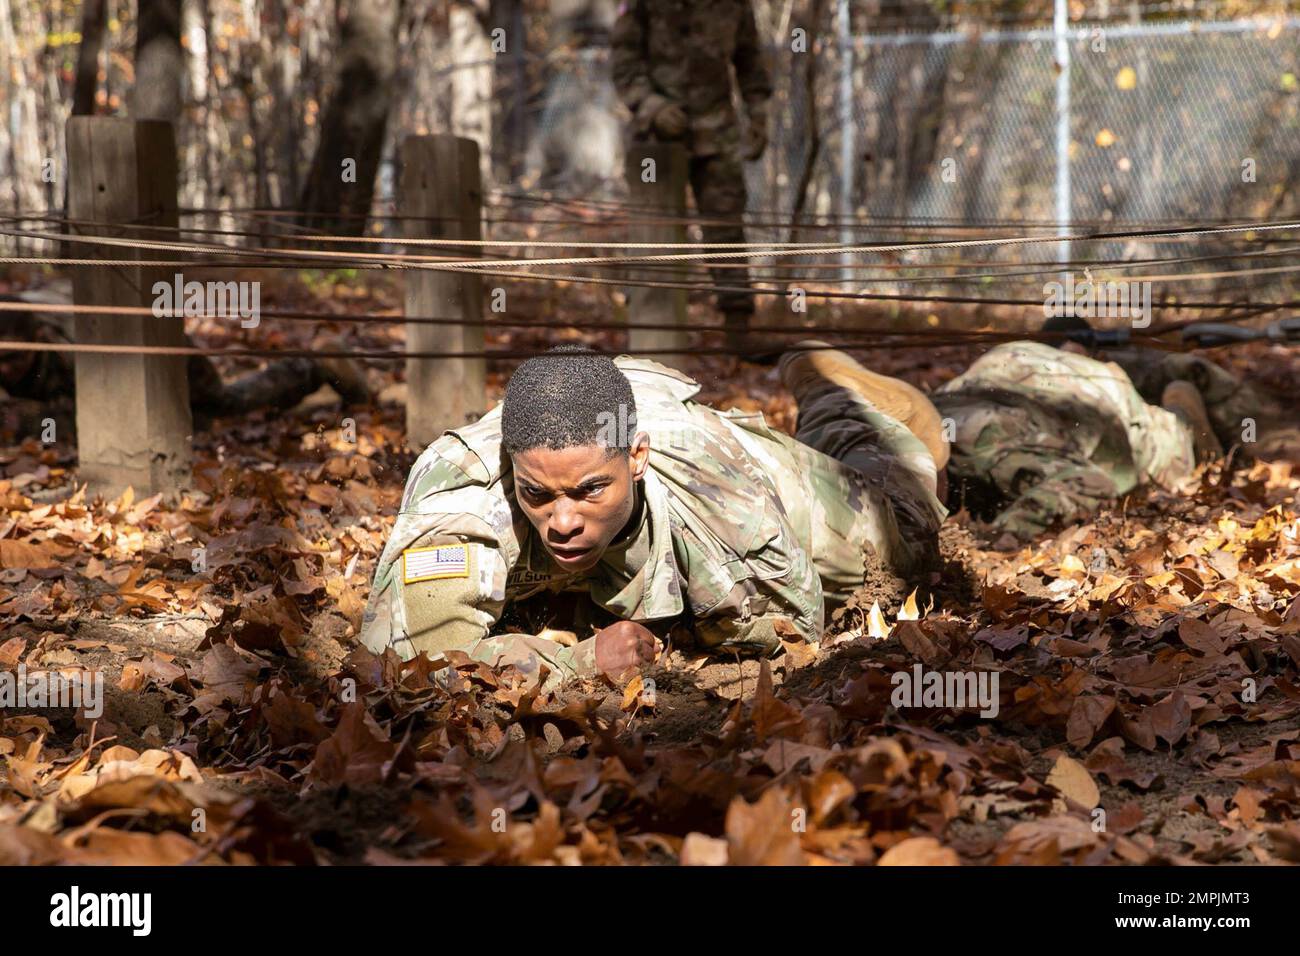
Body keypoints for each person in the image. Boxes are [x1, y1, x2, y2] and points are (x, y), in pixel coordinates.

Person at [359, 343, 948, 687]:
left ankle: (834, 398)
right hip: (619, 432)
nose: (562, 521)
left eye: (589, 491)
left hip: (738, 465)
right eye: (538, 495)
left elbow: (793, 628)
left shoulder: (717, 493)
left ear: (634, 458)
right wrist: (579, 659)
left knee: (909, 533)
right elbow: (414, 658)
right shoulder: (464, 497)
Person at [931, 319, 1223, 540]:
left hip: (1119, 419)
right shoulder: (1013, 357)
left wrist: (994, 542)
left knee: (1167, 453)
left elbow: (1089, 484)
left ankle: (1183, 420)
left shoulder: (982, 441)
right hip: (1088, 398)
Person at [611, 0, 772, 351]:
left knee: (726, 227)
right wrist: (653, 107)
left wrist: (758, 114)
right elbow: (623, 61)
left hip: (717, 131)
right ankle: (647, 333)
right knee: (652, 232)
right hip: (657, 138)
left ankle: (738, 329)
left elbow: (749, 60)